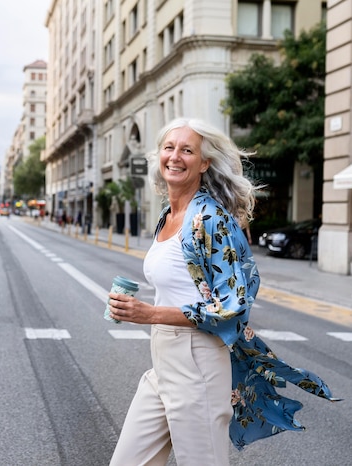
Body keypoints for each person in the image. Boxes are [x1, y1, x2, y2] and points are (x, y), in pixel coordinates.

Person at [107, 118, 338, 465]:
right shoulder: (169, 214)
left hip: (197, 364)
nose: (175, 156)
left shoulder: (210, 220)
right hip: (164, 366)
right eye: (170, 148)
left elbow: (233, 308)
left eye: (188, 150)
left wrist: (149, 313)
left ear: (204, 163)